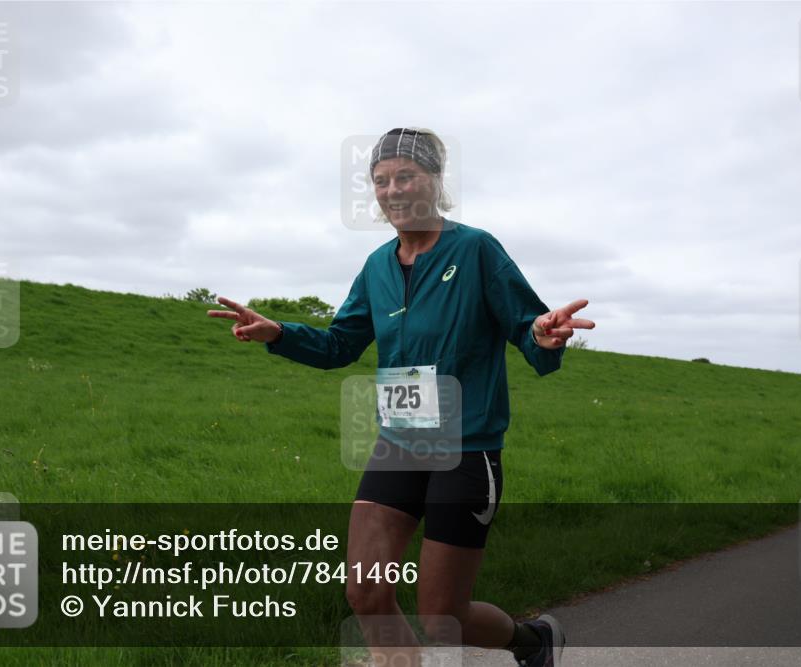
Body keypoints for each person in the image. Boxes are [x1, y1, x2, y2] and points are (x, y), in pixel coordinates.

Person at [208, 128, 595, 667]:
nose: (392, 190)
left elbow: (527, 324)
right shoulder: (376, 267)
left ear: (435, 180)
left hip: (465, 448)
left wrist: (542, 335)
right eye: (381, 180)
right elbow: (340, 344)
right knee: (365, 593)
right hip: (397, 445)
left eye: (405, 176)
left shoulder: (476, 249)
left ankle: (533, 642)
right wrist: (279, 333)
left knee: (443, 616)